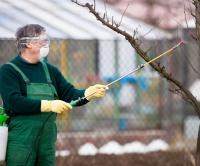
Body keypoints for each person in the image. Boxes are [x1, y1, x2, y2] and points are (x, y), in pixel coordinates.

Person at [0, 24, 108, 166]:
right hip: (21, 138)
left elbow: (70, 94)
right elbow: (14, 101)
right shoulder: (9, 70)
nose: (46, 44)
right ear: (28, 43)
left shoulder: (50, 70)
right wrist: (49, 104)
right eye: (42, 40)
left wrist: (88, 93)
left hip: (47, 139)